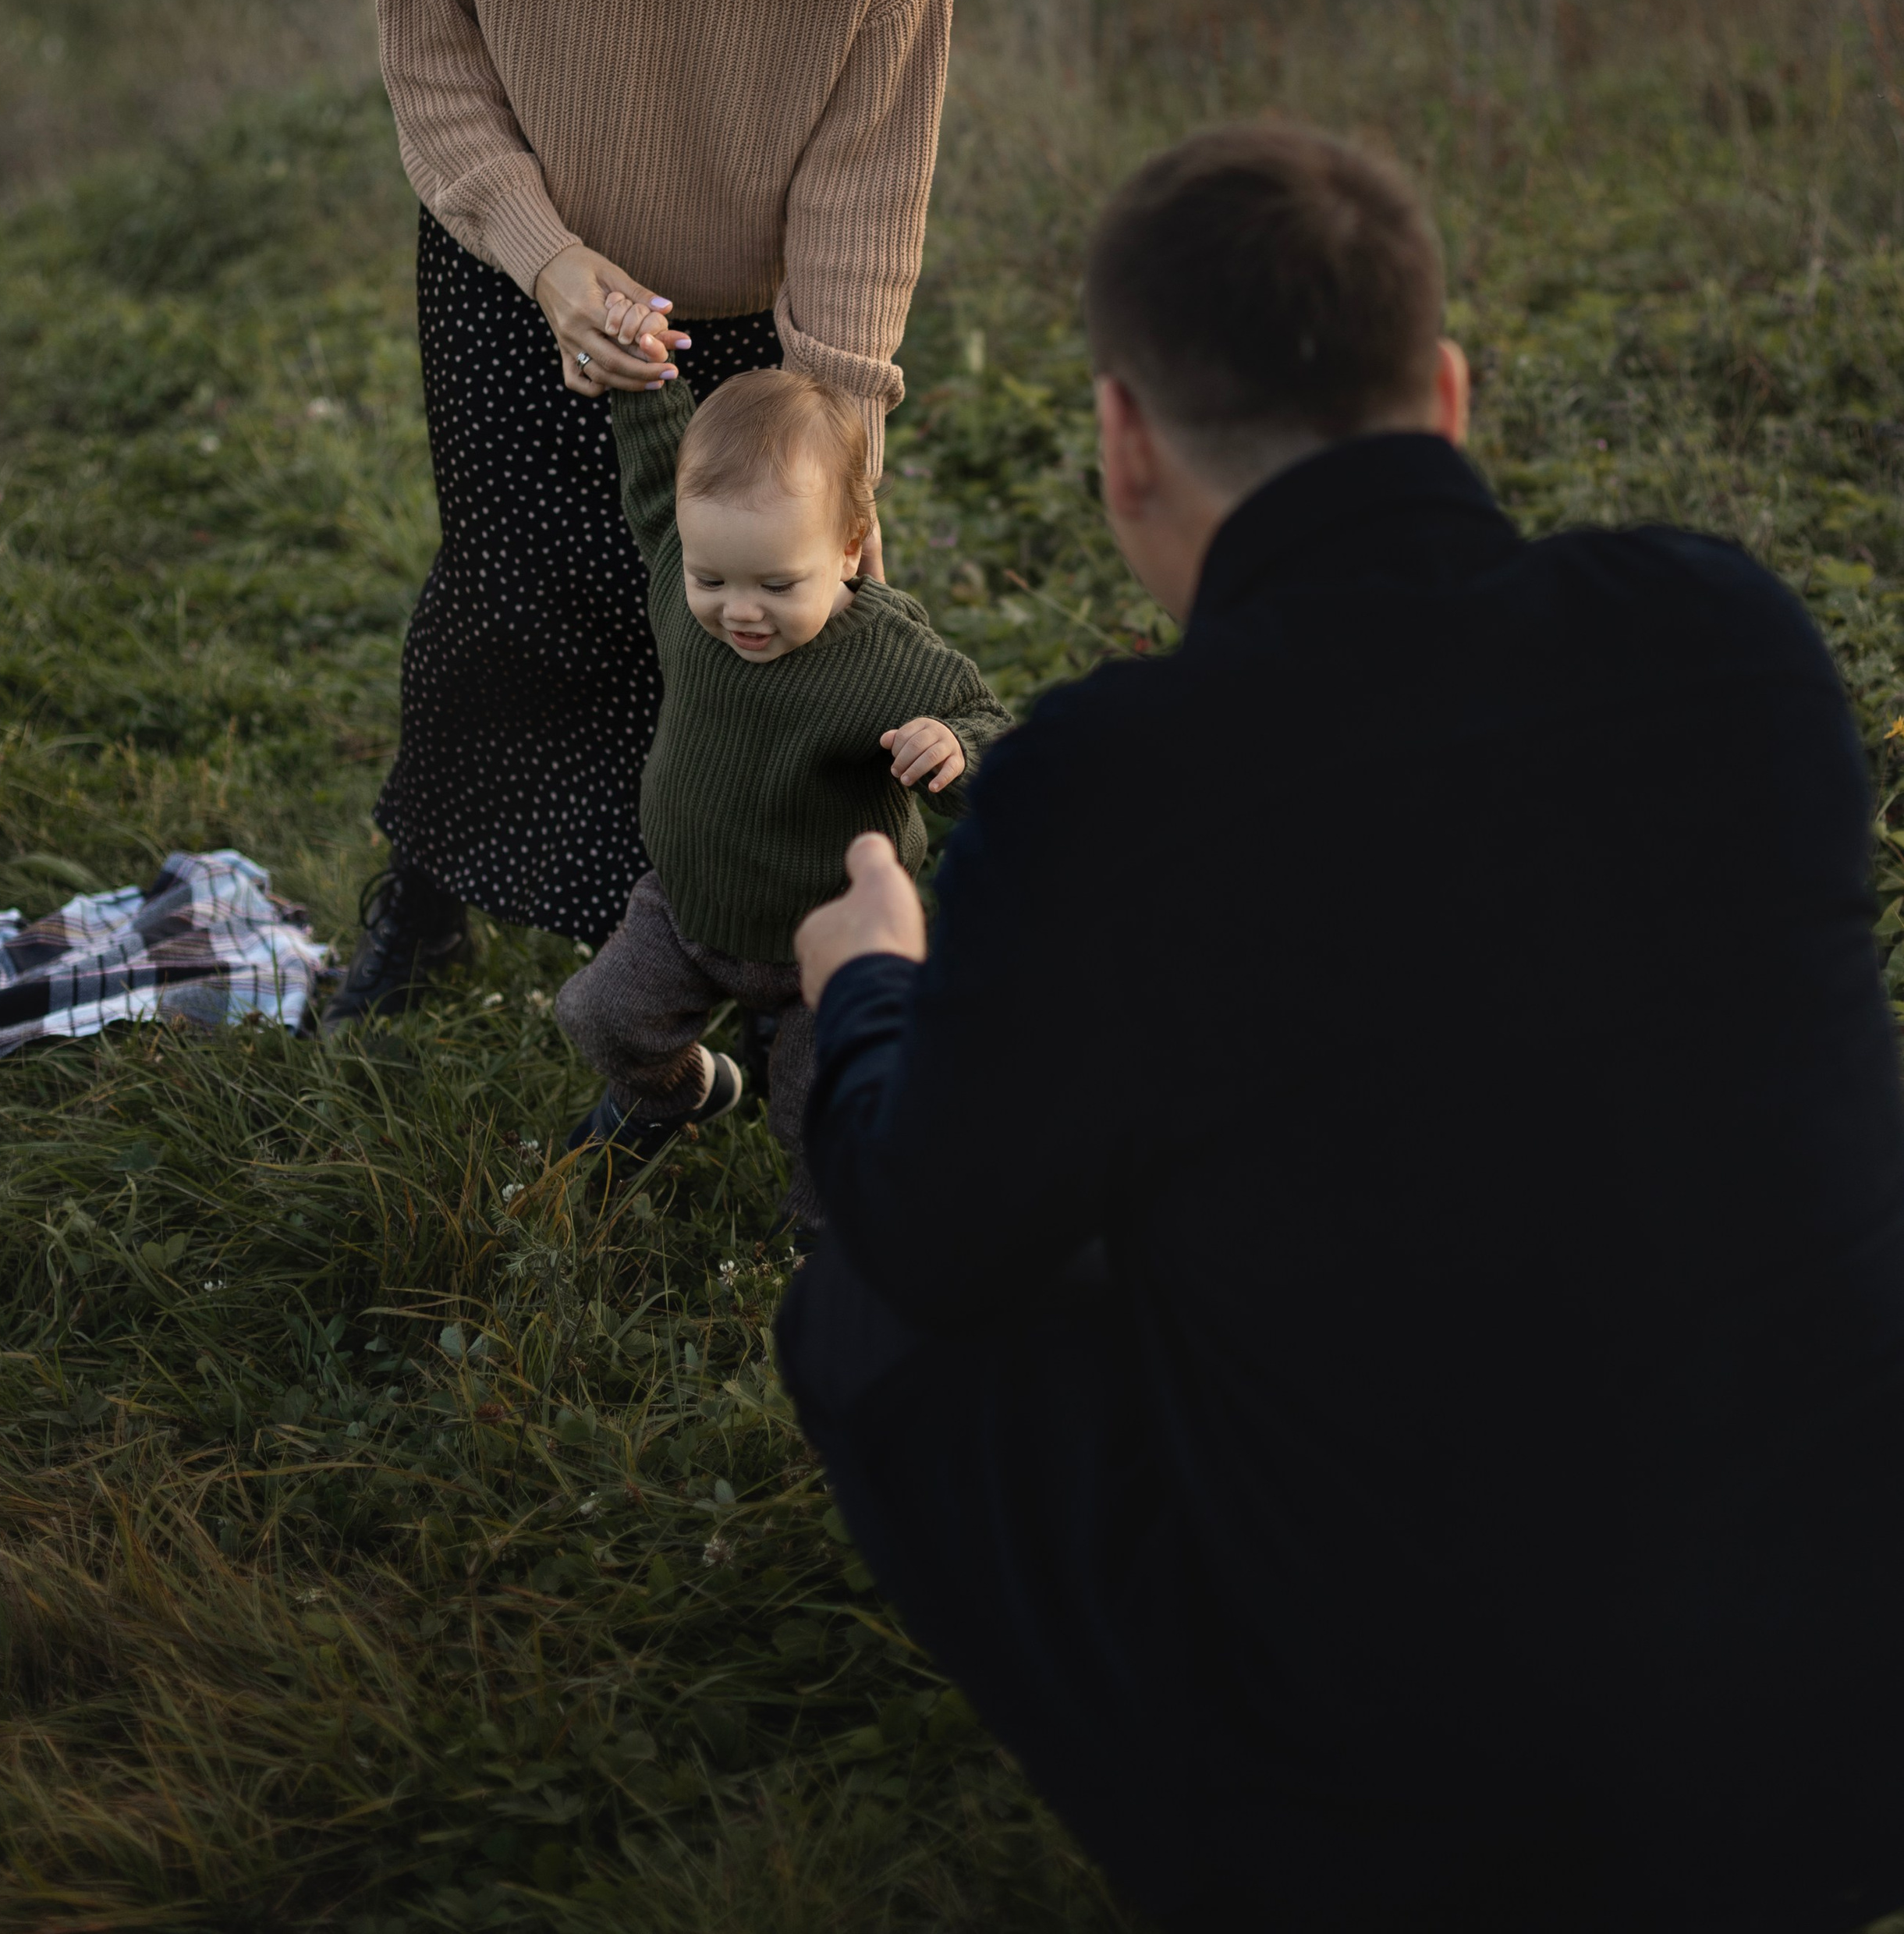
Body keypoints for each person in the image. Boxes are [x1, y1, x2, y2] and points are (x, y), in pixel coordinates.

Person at [778, 122, 1904, 1934]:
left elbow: (932, 1229)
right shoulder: (1734, 636)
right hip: (1859, 1759)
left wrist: (870, 986)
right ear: (1443, 391)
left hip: (1420, 1843)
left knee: (871, 1294)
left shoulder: (1105, 784)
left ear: (1121, 437)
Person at [327, 0, 956, 1027]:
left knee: (752, 633)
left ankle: (717, 949)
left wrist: (839, 420)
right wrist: (546, 261)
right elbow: (434, 58)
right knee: (525, 594)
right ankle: (433, 892)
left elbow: (872, 149)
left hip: (764, 324)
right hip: (524, 278)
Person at [553, 367, 1008, 1226]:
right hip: (691, 904)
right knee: (601, 1016)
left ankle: (827, 1233)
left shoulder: (886, 657)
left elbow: (991, 730)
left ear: (848, 547)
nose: (740, 612)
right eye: (713, 577)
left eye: (776, 584)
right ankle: (674, 1093)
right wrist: (640, 370)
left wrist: (954, 747)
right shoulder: (682, 590)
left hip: (826, 943)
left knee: (818, 1107)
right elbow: (656, 475)